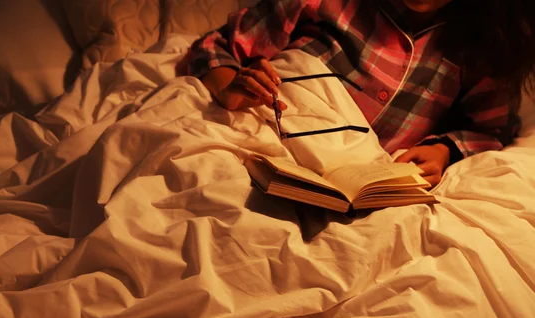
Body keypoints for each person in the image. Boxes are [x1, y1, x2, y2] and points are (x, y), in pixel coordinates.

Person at [182, 0, 535, 186]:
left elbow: (492, 128)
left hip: (354, 183)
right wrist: (230, 88)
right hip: (261, 147)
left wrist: (442, 150)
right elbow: (214, 47)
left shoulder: (486, 44)